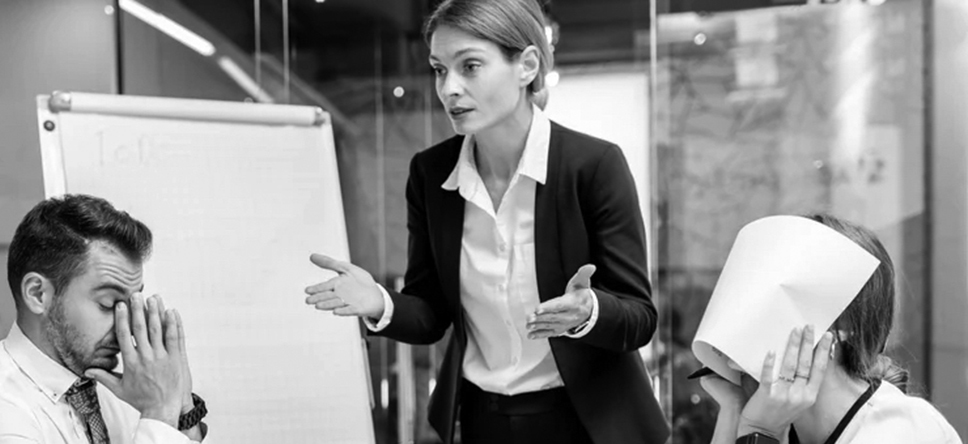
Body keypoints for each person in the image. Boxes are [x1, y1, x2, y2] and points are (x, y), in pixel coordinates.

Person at [302, 0, 667, 442]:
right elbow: (431, 313)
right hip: (482, 420)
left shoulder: (593, 166)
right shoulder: (431, 174)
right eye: (439, 70)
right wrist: (379, 302)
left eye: (470, 66)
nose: (449, 88)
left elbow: (639, 317)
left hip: (589, 424)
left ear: (527, 66)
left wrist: (589, 311)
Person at [0, 194, 205, 444]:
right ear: (37, 294)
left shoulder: (121, 393)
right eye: (108, 305)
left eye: (131, 305)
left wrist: (180, 406)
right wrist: (158, 412)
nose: (127, 326)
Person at [699, 214, 962, 444]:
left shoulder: (906, 429)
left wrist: (758, 432)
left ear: (844, 325)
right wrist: (733, 412)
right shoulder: (773, 416)